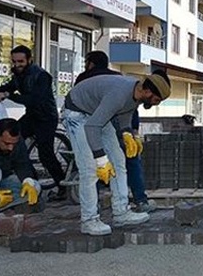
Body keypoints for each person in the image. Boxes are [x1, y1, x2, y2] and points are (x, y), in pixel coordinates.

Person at [63, 70, 171, 235]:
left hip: (96, 114)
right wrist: (100, 159)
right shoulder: (118, 94)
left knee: (118, 161)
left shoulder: (136, 94)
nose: (156, 103)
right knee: (90, 169)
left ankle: (121, 213)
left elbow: (125, 113)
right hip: (77, 113)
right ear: (148, 92)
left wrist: (128, 133)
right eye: (157, 100)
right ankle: (89, 220)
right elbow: (92, 127)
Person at [0, 45, 66, 200]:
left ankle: (62, 186)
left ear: (29, 60)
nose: (17, 65)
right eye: (14, 61)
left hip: (46, 118)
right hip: (31, 116)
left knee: (45, 154)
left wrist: (8, 95)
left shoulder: (42, 76)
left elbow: (34, 99)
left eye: (20, 61)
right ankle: (31, 182)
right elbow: (8, 86)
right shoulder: (18, 75)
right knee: (13, 140)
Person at [75, 51, 155, 213]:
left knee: (94, 166)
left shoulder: (84, 78)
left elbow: (129, 107)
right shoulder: (119, 77)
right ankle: (139, 200)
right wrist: (132, 132)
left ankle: (98, 206)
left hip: (98, 121)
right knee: (126, 161)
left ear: (90, 63)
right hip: (99, 122)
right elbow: (132, 108)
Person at [0, 119, 41, 237]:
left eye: (14, 144)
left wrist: (27, 181)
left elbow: (23, 164)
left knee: (35, 187)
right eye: (6, 144)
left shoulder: (16, 142)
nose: (11, 148)